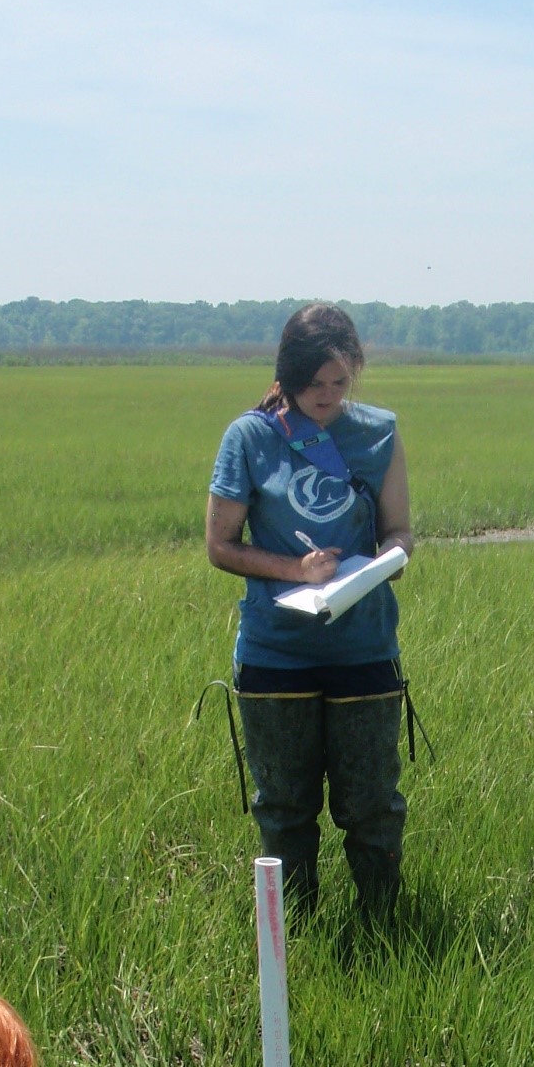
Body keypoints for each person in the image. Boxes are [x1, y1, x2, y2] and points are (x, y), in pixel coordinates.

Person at [206, 304, 414, 919]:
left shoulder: (379, 432)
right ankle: (293, 935)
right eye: (312, 383)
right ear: (287, 374)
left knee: (373, 805)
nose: (325, 396)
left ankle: (381, 928)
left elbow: (399, 533)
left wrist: (376, 566)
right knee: (283, 808)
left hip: (365, 648)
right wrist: (296, 571)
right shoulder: (249, 436)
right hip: (276, 653)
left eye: (339, 383)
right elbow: (221, 545)